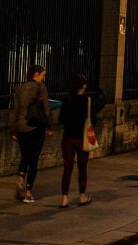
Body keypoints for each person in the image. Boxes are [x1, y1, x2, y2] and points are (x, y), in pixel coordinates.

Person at [10, 63, 51, 203]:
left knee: (25, 156)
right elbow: (46, 109)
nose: (44, 78)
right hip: (36, 127)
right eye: (43, 75)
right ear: (37, 74)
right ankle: (28, 193)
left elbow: (15, 111)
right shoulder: (41, 88)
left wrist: (14, 129)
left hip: (21, 127)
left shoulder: (20, 88)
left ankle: (20, 177)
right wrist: (49, 126)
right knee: (33, 160)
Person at [57, 75, 95, 206]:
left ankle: (64, 198)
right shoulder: (87, 100)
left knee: (67, 168)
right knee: (82, 167)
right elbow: (91, 120)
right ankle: (82, 196)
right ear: (84, 86)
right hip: (82, 139)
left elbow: (60, 120)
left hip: (68, 138)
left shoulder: (67, 100)